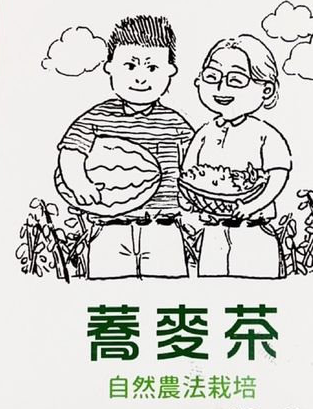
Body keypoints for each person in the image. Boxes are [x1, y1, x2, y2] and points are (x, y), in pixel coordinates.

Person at [58, 15, 194, 279]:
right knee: (107, 287)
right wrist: (79, 183)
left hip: (163, 226)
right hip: (109, 226)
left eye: (152, 68)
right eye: (130, 66)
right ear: (110, 67)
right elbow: (72, 151)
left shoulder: (175, 122)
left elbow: (194, 163)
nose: (140, 78)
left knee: (168, 288)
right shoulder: (96, 118)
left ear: (170, 71)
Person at [184, 34, 292, 278]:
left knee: (259, 287)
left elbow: (278, 175)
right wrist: (189, 199)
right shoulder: (203, 133)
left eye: (236, 80)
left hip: (253, 230)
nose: (221, 88)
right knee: (212, 286)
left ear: (266, 89)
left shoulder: (265, 135)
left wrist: (252, 205)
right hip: (212, 231)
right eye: (212, 77)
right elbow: (189, 174)